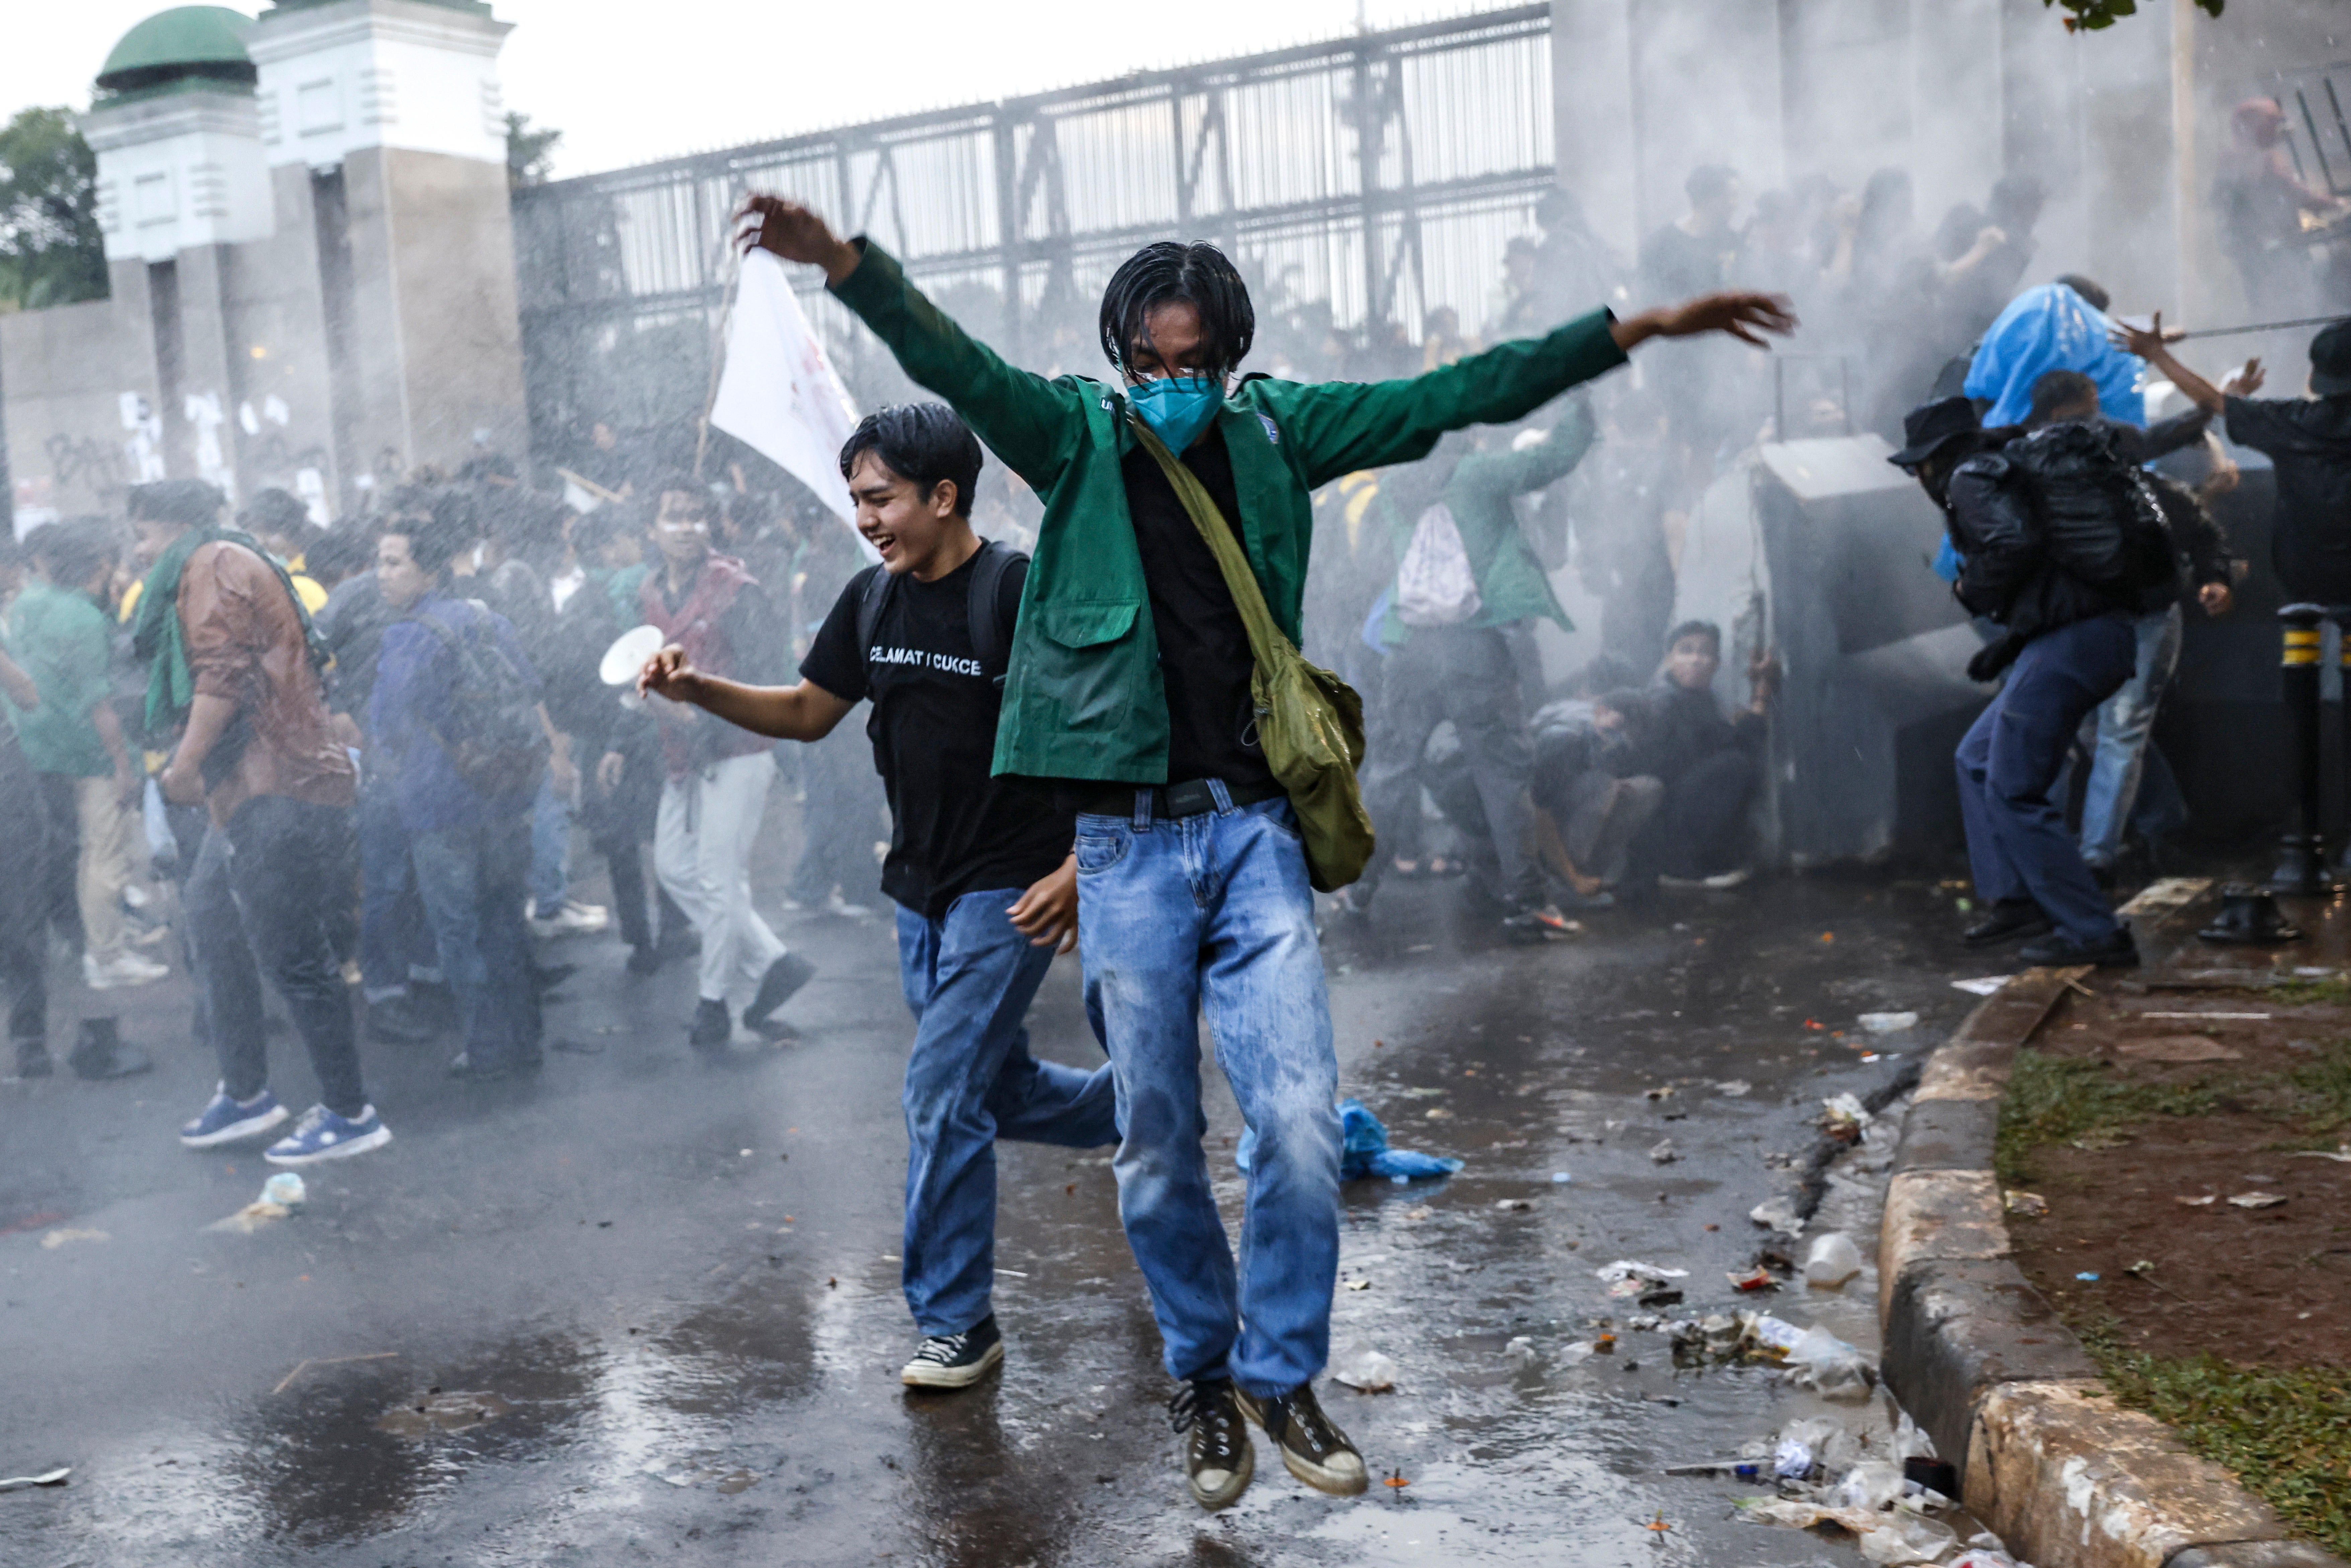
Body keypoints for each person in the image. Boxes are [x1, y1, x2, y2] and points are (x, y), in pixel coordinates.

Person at [734, 189, 1792, 1509]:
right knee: (1155, 1136)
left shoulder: (1285, 430)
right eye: (1150, 362)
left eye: (1194, 363)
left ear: (1227, 356)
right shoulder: (1072, 435)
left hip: (1250, 839)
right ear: (1123, 355)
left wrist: (1635, 328)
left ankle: (1280, 1375)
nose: (1172, 385)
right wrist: (840, 259)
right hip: (1121, 851)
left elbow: (1454, 392)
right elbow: (949, 358)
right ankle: (1200, 1373)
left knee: (1293, 1124)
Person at [643, 402, 1118, 1390]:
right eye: (858, 499)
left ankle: (958, 1322)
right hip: (919, 885)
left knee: (938, 1093)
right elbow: (810, 710)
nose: (864, 518)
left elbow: (1099, 730)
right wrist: (700, 689)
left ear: (945, 496)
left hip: (1011, 884)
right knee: (995, 1086)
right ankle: (1145, 1108)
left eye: (880, 498)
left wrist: (1081, 865)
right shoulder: (872, 599)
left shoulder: (1017, 592)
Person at [128, 480, 391, 1163]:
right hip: (251, 785)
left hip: (275, 783)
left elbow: (223, 675)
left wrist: (184, 765)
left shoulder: (211, 563)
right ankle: (246, 1092)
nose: (137, 552)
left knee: (292, 952)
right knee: (212, 918)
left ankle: (349, 1111)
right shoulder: (221, 558)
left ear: (175, 525)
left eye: (143, 536)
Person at [1889, 397, 2147, 968]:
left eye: (1916, 468)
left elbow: (2012, 545)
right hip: (2083, 635)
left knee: (2014, 787)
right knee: (1976, 756)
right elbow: (2047, 578)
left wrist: (1968, 590)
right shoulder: (2012, 465)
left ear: (1933, 460)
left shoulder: (1970, 476)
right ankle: (2018, 897)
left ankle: (2092, 930)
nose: (1918, 480)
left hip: (2077, 640)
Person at [1351, 402, 1600, 931]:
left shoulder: (1396, 486)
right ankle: (1527, 901)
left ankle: (1356, 893)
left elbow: (1370, 562)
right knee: (1504, 780)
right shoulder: (1478, 475)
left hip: (1408, 653)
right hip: (1474, 651)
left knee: (1390, 777)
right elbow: (1554, 458)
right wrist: (1580, 403)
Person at [2021, 369, 2239, 878]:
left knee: (2113, 731)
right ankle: (2144, 829)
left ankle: (2092, 856)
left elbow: (2198, 531)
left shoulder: (2134, 487)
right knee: (2103, 732)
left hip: (2131, 617)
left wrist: (2215, 575)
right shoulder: (2064, 485)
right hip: (2101, 618)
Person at [369, 498, 557, 1080]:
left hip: (438, 802)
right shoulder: (488, 618)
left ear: (428, 572)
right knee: (505, 918)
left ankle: (482, 1045)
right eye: (380, 561)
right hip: (502, 793)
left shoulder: (406, 637)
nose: (382, 573)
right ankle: (525, 1037)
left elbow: (387, 724)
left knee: (457, 930)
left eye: (394, 563)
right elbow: (528, 687)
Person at [638, 473, 812, 1050]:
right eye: (673, 515)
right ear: (651, 529)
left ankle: (712, 1002)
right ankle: (772, 959)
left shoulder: (736, 588)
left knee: (717, 878)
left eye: (695, 514)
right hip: (683, 755)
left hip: (739, 750)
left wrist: (705, 716)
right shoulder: (649, 592)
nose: (686, 526)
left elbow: (766, 673)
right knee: (674, 869)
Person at [8, 521, 168, 993]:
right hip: (88, 750)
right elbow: (98, 703)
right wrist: (122, 763)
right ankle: (107, 956)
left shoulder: (29, 603)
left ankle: (90, 944)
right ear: (99, 565)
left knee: (72, 852)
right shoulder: (85, 619)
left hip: (39, 743)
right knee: (105, 854)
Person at [2119, 314, 2351, 608]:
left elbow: (2214, 401)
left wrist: (2156, 354)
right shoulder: (2293, 422)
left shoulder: (2297, 423)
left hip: (2310, 582)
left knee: (2308, 647)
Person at [1621, 621, 1776, 889]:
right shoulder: (1667, 700)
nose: (1695, 659)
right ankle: (1684, 870)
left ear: (1716, 663)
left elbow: (1723, 740)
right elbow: (1727, 747)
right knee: (1734, 766)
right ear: (1670, 659)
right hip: (1661, 824)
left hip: (1672, 811)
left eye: (1705, 652)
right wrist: (1760, 699)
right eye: (1685, 650)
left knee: (1735, 764)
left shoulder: (1699, 698)